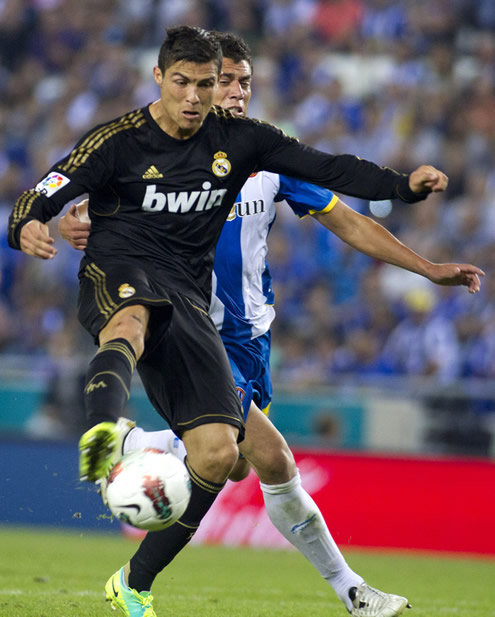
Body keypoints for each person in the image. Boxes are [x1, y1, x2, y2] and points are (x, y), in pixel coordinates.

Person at [10, 26, 482, 617]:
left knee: (235, 461)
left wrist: (419, 247)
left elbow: (348, 210)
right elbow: (81, 196)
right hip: (171, 310)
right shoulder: (138, 143)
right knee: (245, 445)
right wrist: (59, 223)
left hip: (240, 336)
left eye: (236, 82)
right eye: (217, 81)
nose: (225, 92)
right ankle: (350, 592)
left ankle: (139, 453)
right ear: (169, 81)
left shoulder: (262, 155)